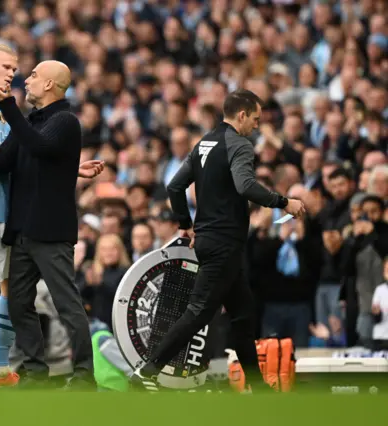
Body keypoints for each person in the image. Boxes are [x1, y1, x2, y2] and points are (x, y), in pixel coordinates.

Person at [0, 46, 103, 391]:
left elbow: (39, 147)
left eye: (33, 74)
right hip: (19, 230)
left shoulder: (64, 121)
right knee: (18, 302)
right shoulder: (27, 122)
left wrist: (7, 105)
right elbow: (7, 161)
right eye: (12, 68)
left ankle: (84, 375)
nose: (25, 77)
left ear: (52, 85)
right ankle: (34, 372)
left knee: (66, 302)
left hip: (51, 231)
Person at [129, 89, 306, 392]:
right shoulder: (240, 144)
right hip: (224, 242)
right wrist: (283, 202)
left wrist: (185, 224)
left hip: (214, 240)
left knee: (242, 315)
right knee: (198, 312)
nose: (256, 125)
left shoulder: (204, 143)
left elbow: (174, 187)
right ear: (241, 115)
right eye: (255, 119)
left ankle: (258, 388)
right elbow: (246, 185)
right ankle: (147, 371)